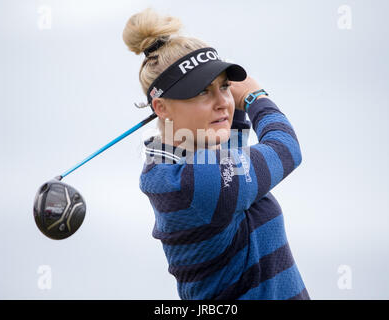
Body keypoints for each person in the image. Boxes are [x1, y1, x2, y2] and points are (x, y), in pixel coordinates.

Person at [123, 7, 310, 300]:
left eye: (223, 87)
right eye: (201, 92)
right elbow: (286, 148)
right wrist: (256, 97)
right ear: (161, 107)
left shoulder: (177, 166)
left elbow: (230, 158)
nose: (222, 101)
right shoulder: (195, 183)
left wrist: (230, 111)